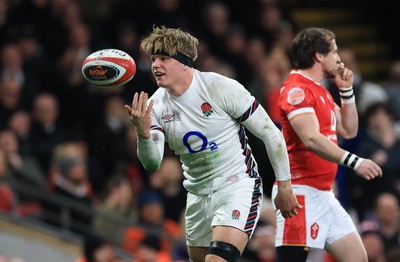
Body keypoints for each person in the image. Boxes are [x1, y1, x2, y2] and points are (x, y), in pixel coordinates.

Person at [124, 25, 300, 262]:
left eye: (164, 58)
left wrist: (285, 187)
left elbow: (271, 134)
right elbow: (152, 164)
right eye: (153, 59)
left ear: (185, 61)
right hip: (197, 195)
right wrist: (143, 134)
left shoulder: (220, 88)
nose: (155, 65)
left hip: (237, 186)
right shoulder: (155, 107)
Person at [275, 27, 383, 262]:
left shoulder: (319, 90)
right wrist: (355, 162)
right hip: (300, 194)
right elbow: (311, 139)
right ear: (318, 56)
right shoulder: (298, 90)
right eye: (334, 52)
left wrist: (346, 91)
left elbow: (349, 130)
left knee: (357, 258)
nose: (339, 58)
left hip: (323, 194)